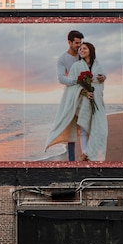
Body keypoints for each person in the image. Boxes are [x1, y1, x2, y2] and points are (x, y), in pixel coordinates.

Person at [46, 42, 107, 161]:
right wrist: (84, 92)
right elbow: (73, 85)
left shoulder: (98, 64)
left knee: (99, 128)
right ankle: (86, 154)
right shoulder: (76, 66)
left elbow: (101, 78)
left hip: (97, 100)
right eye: (80, 49)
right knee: (84, 127)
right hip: (83, 100)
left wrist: (103, 78)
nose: (81, 50)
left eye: (84, 48)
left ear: (90, 50)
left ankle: (94, 151)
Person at [54, 30, 83, 161]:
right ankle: (72, 161)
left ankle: (87, 156)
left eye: (80, 42)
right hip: (72, 96)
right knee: (71, 128)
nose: (79, 45)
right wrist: (75, 81)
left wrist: (102, 76)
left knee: (86, 126)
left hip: (86, 94)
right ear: (69, 42)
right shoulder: (62, 59)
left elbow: (94, 67)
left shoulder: (82, 54)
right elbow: (61, 78)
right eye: (76, 43)